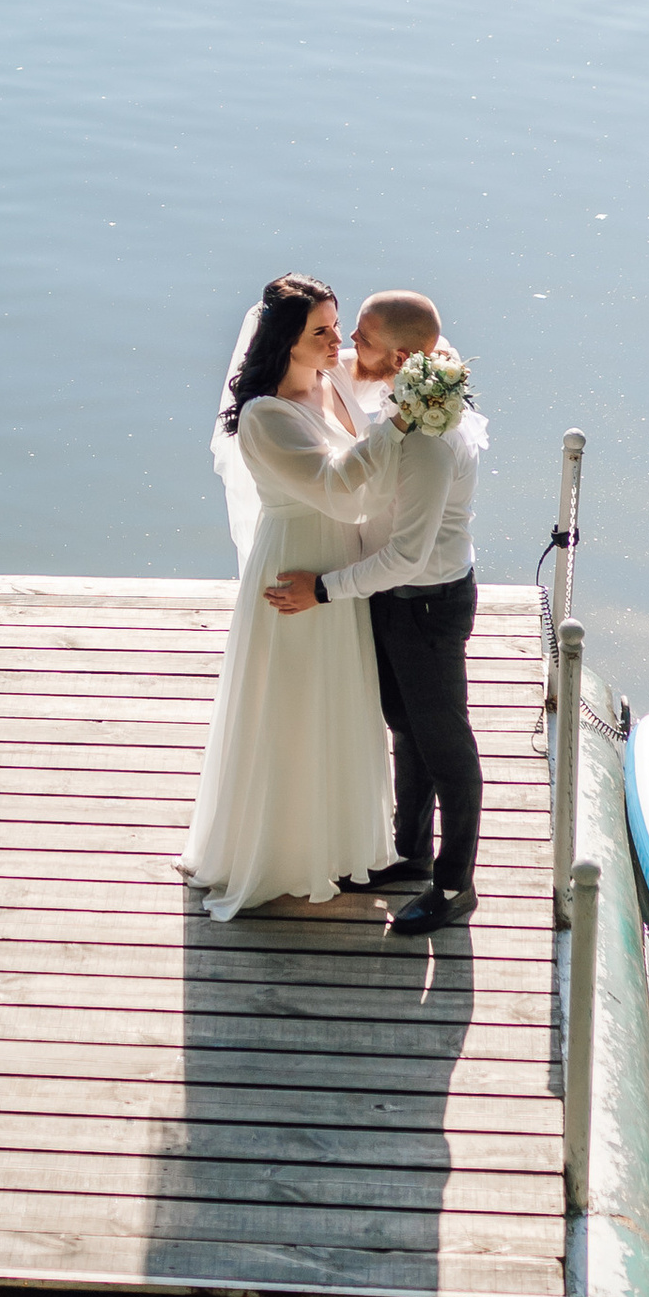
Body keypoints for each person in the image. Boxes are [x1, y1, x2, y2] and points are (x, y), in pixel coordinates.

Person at [265, 289, 484, 939]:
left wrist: (324, 588)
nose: (347, 346)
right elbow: (357, 467)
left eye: (358, 336)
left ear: (401, 354)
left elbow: (410, 555)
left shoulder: (430, 438)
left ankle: (454, 884)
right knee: (406, 729)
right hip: (394, 597)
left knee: (446, 745)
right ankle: (410, 853)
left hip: (427, 601)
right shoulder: (404, 412)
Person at [179, 274, 395, 919]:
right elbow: (342, 492)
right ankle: (277, 850)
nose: (338, 341)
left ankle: (336, 842)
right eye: (321, 331)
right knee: (291, 700)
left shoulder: (333, 374)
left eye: (336, 325)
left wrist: (422, 378)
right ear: (286, 341)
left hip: (339, 568)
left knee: (340, 696)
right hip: (297, 567)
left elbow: (398, 359)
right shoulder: (266, 415)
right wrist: (400, 427)